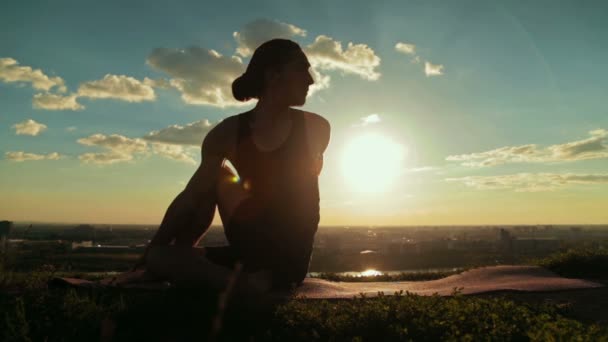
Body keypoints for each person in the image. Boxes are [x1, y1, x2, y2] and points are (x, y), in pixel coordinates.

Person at [140, 39, 331, 293]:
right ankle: (248, 283)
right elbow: (193, 198)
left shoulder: (316, 128)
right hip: (257, 254)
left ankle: (237, 283)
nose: (310, 80)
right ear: (274, 75)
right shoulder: (226, 134)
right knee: (160, 257)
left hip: (286, 257)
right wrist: (162, 251)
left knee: (215, 176)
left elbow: (194, 197)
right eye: (301, 69)